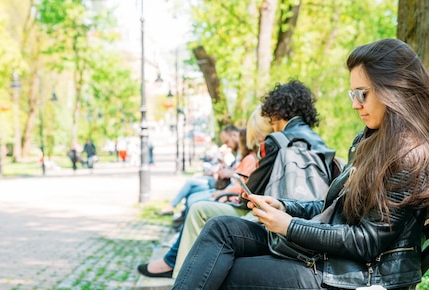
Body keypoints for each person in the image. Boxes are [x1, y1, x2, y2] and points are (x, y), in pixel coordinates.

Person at [91, 39, 429, 290]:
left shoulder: (411, 155)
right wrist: (284, 206)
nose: (355, 103)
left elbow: (367, 243)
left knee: (213, 277)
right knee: (222, 230)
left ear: (395, 89)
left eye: (362, 93)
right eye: (353, 92)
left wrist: (288, 227)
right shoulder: (374, 140)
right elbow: (332, 208)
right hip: (336, 264)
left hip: (359, 284)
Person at [138, 80, 332, 279]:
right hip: (310, 223)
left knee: (199, 210)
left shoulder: (279, 139)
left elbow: (252, 191)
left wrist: (240, 192)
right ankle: (178, 271)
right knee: (202, 208)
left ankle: (181, 278)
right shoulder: (319, 142)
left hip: (274, 224)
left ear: (276, 112)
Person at [139, 109, 269, 278]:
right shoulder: (257, 155)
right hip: (238, 201)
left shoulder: (254, 157)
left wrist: (223, 190)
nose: (229, 145)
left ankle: (175, 266)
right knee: (194, 200)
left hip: (245, 206)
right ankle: (178, 269)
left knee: (196, 204)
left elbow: (243, 187)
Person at [155, 125, 240, 217]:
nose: (227, 145)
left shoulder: (246, 157)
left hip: (225, 191)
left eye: (227, 142)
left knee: (192, 193)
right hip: (223, 187)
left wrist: (225, 175)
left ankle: (176, 213)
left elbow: (239, 181)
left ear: (235, 135)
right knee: (191, 191)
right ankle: (181, 220)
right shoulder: (240, 155)